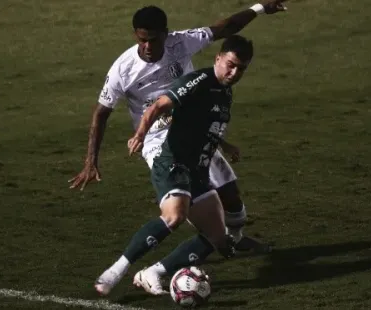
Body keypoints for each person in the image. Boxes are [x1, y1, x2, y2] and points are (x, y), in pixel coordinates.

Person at [69, 1, 287, 251]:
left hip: (195, 129)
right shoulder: (122, 69)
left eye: (153, 39)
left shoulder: (180, 43)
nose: (148, 46)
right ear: (135, 35)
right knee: (194, 205)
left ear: (165, 34)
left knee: (230, 194)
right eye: (142, 40)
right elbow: (101, 113)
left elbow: (226, 27)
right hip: (156, 139)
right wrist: (90, 162)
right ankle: (155, 268)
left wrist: (260, 8)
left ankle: (235, 240)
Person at [96, 34, 255, 296]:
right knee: (175, 215)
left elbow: (206, 128)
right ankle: (115, 272)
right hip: (174, 162)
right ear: (218, 58)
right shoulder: (199, 81)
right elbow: (158, 105)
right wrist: (139, 135)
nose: (234, 72)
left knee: (220, 241)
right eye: (231, 64)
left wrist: (226, 146)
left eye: (241, 68)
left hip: (198, 171)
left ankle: (153, 273)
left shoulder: (224, 92)